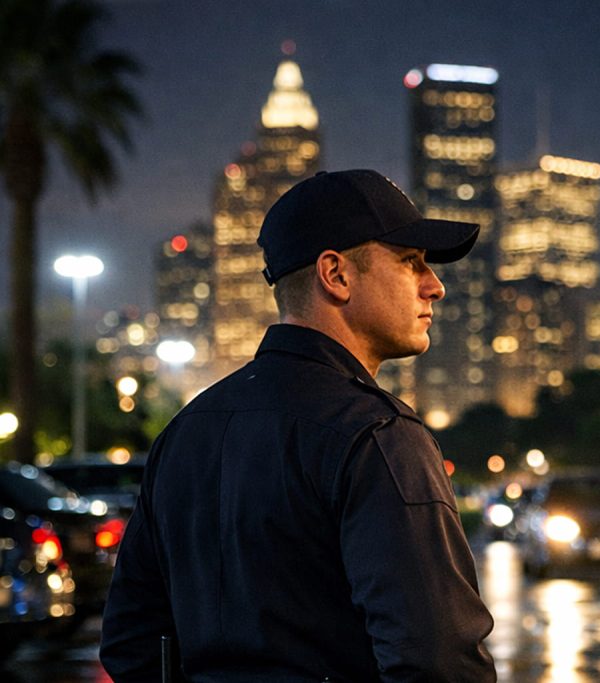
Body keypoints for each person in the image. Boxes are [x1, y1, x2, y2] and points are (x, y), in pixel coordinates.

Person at [100, 170, 497, 682]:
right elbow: (438, 662)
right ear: (335, 274)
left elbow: (131, 641)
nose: (435, 286)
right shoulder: (377, 434)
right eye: (409, 261)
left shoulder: (185, 433)